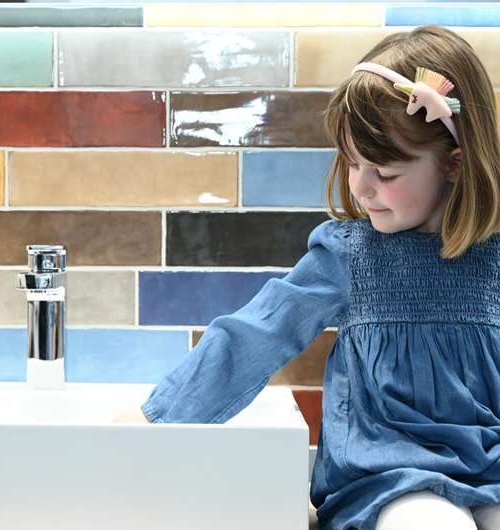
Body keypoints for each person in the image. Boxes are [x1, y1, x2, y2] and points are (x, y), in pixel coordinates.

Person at [113, 25, 500, 530]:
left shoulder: (492, 259)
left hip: (489, 466)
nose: (361, 187)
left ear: (454, 164)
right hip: (389, 474)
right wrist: (158, 418)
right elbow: (257, 334)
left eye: (384, 173)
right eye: (352, 163)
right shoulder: (351, 255)